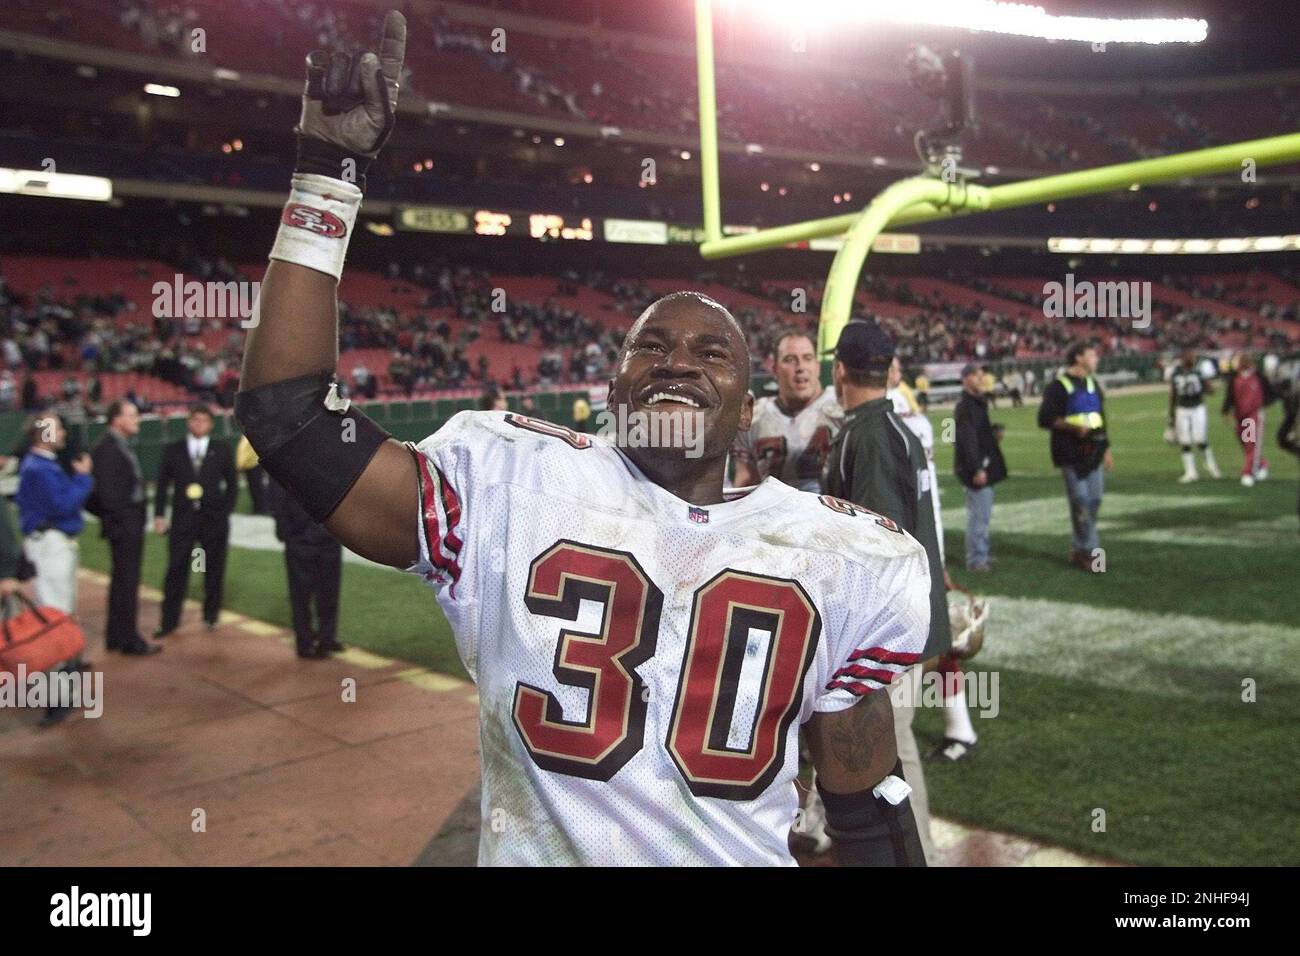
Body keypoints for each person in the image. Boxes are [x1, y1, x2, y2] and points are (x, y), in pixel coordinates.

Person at [236, 12, 931, 867]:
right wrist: (327, 178)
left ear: (745, 409)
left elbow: (865, 805)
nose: (678, 362)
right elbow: (292, 416)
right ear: (610, 390)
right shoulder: (503, 487)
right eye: (651, 346)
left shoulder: (839, 557)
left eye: (712, 354)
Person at [820, 319, 953, 864]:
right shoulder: (892, 428)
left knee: (889, 756)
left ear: (841, 370)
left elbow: (879, 546)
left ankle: (913, 854)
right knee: (895, 749)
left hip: (888, 636)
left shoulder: (868, 436)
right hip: (912, 625)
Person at [153, 406, 238, 636]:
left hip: (213, 520)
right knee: (176, 568)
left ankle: (211, 615)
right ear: (189, 422)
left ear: (211, 424)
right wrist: (159, 515)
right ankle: (169, 620)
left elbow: (232, 484)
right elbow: (162, 485)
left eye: (204, 420)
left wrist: (225, 511)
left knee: (214, 568)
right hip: (183, 519)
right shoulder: (174, 450)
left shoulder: (221, 449)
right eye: (195, 419)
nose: (199, 424)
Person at [87, 400, 160, 655]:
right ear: (117, 419)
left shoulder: (114, 445)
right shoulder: (108, 449)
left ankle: (116, 635)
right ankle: (128, 638)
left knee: (122, 581)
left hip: (126, 521)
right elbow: (103, 494)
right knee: (127, 582)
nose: (137, 420)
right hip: (124, 523)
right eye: (132, 415)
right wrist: (119, 517)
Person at [731, 330, 841, 491]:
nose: (800, 367)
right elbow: (745, 483)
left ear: (817, 367)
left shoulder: (841, 409)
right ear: (774, 369)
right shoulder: (753, 417)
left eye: (807, 358)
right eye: (790, 359)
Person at [1037, 342, 1112, 571]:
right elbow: (1044, 419)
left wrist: (1107, 449)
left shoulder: (1092, 383)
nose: (1096, 359)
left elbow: (1100, 417)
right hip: (1070, 453)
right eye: (1092, 355)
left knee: (1094, 500)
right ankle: (1090, 553)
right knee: (1080, 501)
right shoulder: (1058, 387)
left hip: (1095, 451)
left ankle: (1079, 548)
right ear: (1079, 358)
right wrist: (1073, 428)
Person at [15, 414, 92, 616]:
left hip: (51, 542)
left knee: (61, 608)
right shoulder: (39, 468)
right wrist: (83, 479)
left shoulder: (43, 464)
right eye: (57, 429)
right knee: (56, 611)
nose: (62, 433)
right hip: (49, 544)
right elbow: (62, 506)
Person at [266, 474, 344, 659]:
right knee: (301, 593)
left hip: (329, 536)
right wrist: (289, 534)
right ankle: (305, 642)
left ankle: (327, 638)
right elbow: (277, 497)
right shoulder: (285, 458)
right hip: (300, 538)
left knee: (329, 590)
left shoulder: (328, 458)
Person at [954, 363, 1007, 572]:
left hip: (983, 465)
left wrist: (993, 434)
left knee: (983, 515)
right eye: (977, 375)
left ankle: (981, 553)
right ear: (966, 378)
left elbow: (978, 435)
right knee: (978, 516)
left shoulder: (976, 403)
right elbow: (967, 440)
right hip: (976, 469)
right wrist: (977, 468)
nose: (981, 379)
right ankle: (976, 560)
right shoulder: (966, 406)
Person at [1168, 350, 1220, 483]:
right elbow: (1172, 395)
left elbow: (1211, 390)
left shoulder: (1198, 373)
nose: (1190, 359)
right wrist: (1171, 417)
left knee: (1200, 439)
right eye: (1188, 357)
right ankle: (1190, 472)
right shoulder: (1176, 373)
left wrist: (1206, 385)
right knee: (1184, 441)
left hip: (1197, 408)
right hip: (1182, 409)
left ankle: (1211, 465)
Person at [1221, 353, 1272, 487]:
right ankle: (1262, 464)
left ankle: (1248, 473)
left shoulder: (1257, 376)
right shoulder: (1235, 378)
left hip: (1253, 415)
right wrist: (1225, 410)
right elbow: (1230, 395)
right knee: (1245, 443)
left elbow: (1270, 391)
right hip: (1240, 416)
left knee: (1251, 444)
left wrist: (1262, 404)